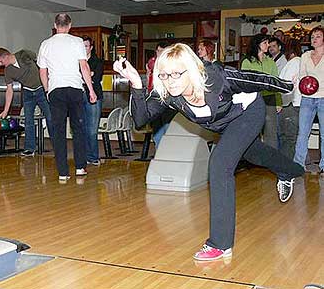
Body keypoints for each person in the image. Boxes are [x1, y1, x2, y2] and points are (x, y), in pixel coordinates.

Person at [113, 43, 304, 261]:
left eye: (176, 74)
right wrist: (137, 84)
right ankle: (290, 170)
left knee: (219, 163)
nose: (170, 80)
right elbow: (140, 120)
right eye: (164, 75)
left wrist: (288, 85)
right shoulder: (167, 93)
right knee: (253, 153)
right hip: (223, 124)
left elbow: (255, 79)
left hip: (248, 113)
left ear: (191, 69)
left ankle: (220, 244)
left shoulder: (216, 78)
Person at [37, 13, 97, 181]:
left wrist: (48, 90)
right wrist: (91, 90)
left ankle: (63, 172)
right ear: (70, 25)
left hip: (56, 90)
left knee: (58, 131)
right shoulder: (77, 41)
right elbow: (84, 66)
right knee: (78, 129)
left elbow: (43, 71)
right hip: (75, 89)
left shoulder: (46, 44)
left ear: (55, 25)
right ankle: (80, 167)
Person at [0, 48, 53, 157]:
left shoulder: (23, 54)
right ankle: (30, 149)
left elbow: (41, 61)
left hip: (41, 89)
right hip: (27, 92)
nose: (1, 64)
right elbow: (9, 90)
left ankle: (57, 145)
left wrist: (48, 85)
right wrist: (5, 111)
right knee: (28, 120)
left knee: (50, 117)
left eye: (1, 61)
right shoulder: (8, 71)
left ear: (6, 56)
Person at [241, 34, 280, 149]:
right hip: (254, 99)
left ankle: (271, 161)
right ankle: (253, 157)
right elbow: (244, 83)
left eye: (268, 43)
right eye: (265, 43)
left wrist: (278, 102)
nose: (268, 45)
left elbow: (275, 83)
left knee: (271, 130)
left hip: (270, 98)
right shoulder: (247, 62)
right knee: (253, 129)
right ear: (257, 45)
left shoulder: (271, 62)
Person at [294, 26, 324, 175]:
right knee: (303, 132)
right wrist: (307, 86)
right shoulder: (305, 56)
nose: (314, 38)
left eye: (318, 36)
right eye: (312, 36)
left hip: (323, 98)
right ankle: (298, 165)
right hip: (307, 98)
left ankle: (323, 166)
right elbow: (302, 76)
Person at [146, 41, 176, 148]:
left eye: (163, 51)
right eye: (158, 51)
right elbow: (151, 67)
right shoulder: (153, 62)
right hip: (155, 97)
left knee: (168, 126)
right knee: (157, 127)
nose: (160, 53)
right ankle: (159, 151)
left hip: (168, 99)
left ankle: (168, 150)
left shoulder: (172, 63)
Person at [278, 43, 302, 160]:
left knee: (288, 138)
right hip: (295, 104)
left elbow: (286, 86)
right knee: (292, 137)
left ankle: (286, 167)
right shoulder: (300, 62)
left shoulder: (293, 63)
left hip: (290, 104)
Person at [82, 36, 104, 166]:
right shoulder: (77, 61)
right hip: (80, 95)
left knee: (92, 128)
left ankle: (93, 156)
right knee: (81, 127)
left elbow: (96, 77)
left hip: (94, 95)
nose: (84, 49)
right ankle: (84, 156)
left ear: (91, 47)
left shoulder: (97, 61)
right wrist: (88, 74)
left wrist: (86, 75)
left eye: (86, 46)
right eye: (82, 46)